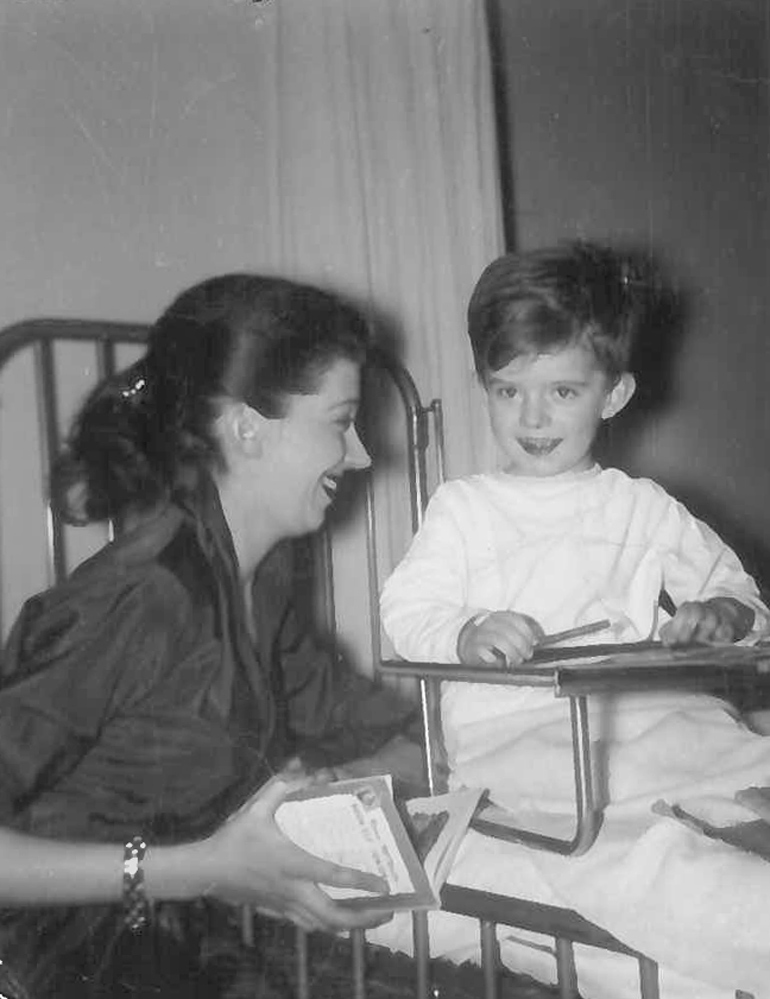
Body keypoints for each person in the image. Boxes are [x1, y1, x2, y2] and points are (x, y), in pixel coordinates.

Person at [0, 273, 424, 998]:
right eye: (339, 420)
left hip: (159, 933)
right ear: (247, 427)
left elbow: (352, 719)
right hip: (42, 957)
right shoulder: (141, 598)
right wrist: (205, 866)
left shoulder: (264, 575)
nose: (359, 454)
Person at [375, 241, 770, 999]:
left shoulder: (641, 506)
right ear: (482, 387)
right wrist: (463, 631)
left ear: (613, 394)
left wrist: (720, 613)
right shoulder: (465, 508)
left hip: (647, 714)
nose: (531, 415)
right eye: (507, 389)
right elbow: (408, 607)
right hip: (517, 735)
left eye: (561, 392)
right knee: (628, 828)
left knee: (725, 752)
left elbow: (738, 590)